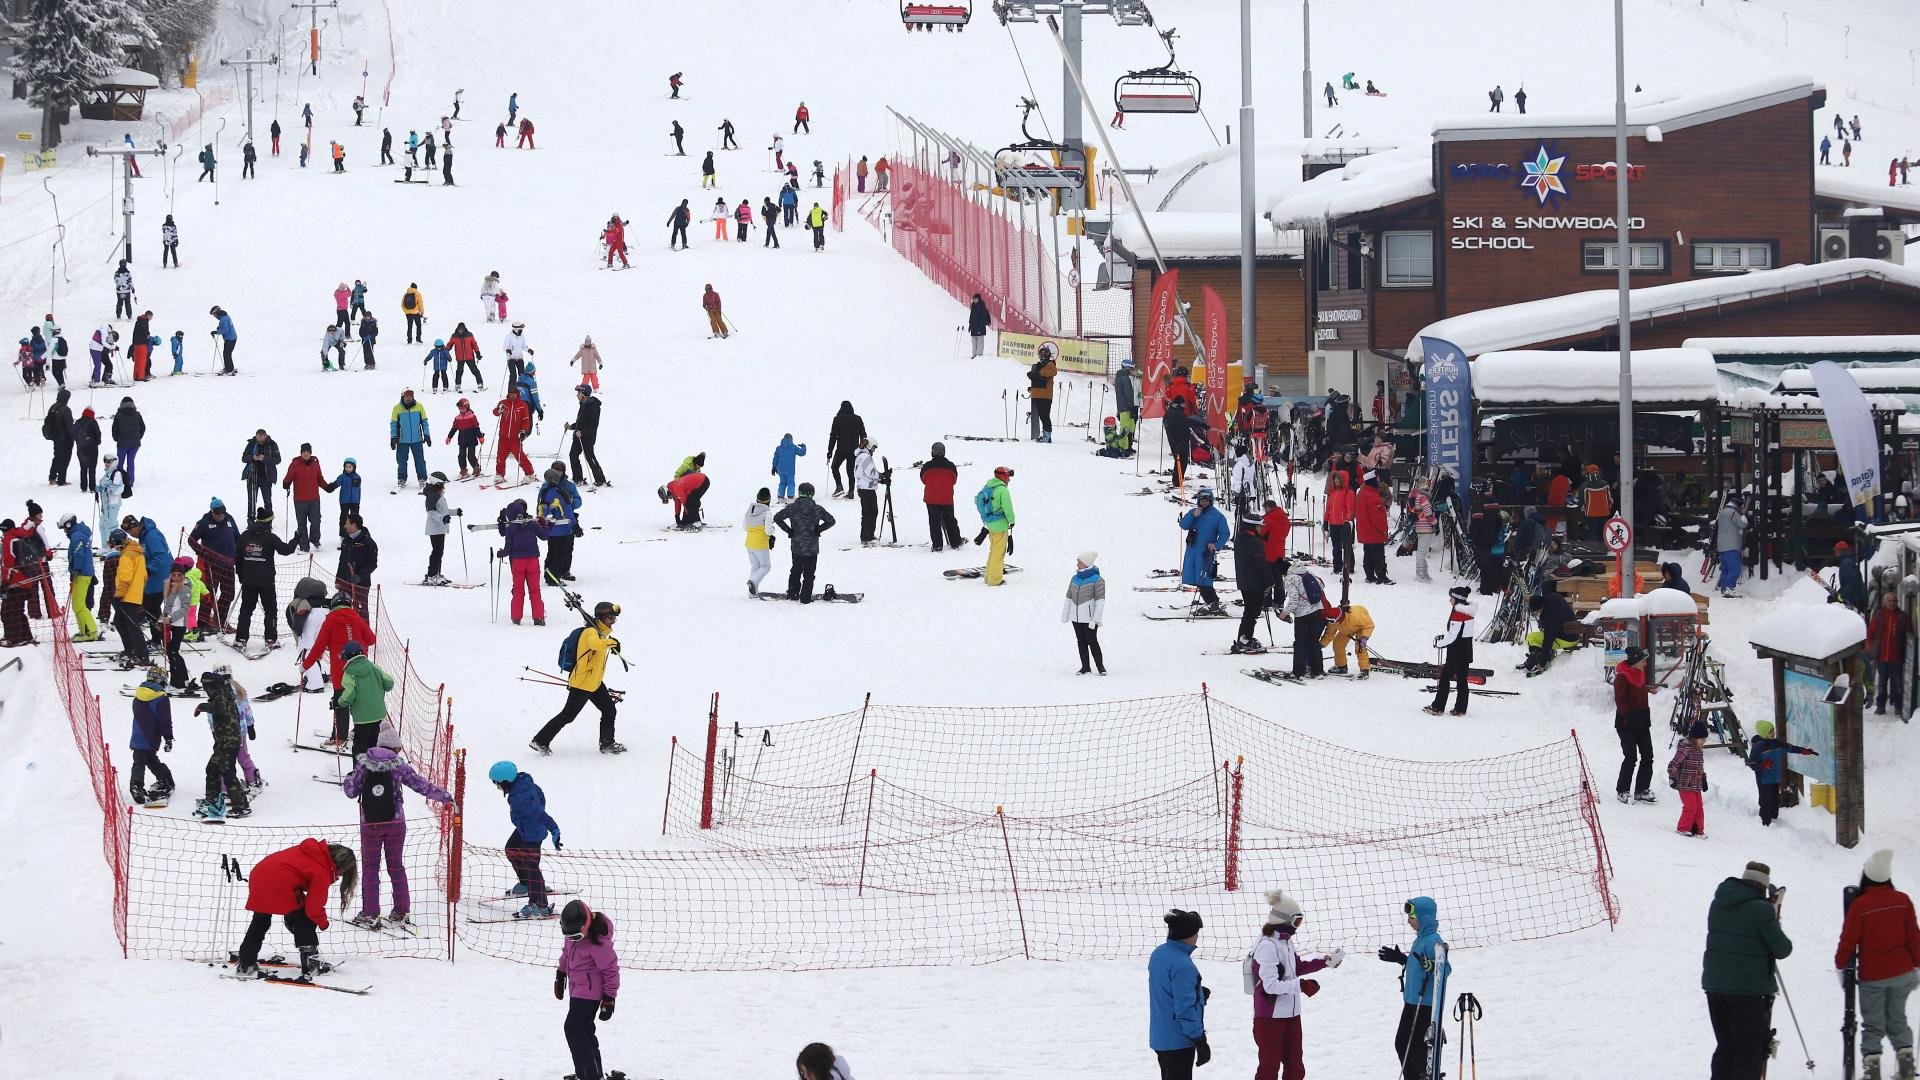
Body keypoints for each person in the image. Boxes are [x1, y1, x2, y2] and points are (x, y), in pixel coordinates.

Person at [341, 743, 453, 928]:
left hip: (370, 825)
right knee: (396, 866)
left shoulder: (363, 764)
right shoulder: (399, 765)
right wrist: (445, 797)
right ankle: (401, 911)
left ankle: (370, 913)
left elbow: (351, 791)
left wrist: (348, 778)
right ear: (396, 748)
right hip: (395, 823)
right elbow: (420, 784)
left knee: (371, 869)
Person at [1703, 861, 1793, 1078]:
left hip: (1714, 986)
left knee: (1726, 1046)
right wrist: (1774, 918)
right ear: (1763, 886)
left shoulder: (1718, 902)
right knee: (1748, 1051)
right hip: (1747, 991)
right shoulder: (1761, 910)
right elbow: (1782, 949)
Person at [1836, 850, 1920, 1080]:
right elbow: (1914, 936)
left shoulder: (1860, 905)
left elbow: (1849, 939)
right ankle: (1906, 1067)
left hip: (1874, 976)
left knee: (1873, 1024)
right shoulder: (1903, 900)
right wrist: (1918, 964)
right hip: (1903, 973)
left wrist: (1841, 964)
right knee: (1897, 1018)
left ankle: (1872, 1070)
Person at [232, 838, 357, 978]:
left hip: (259, 874)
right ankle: (311, 964)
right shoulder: (322, 870)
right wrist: (323, 923)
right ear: (340, 865)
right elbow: (314, 908)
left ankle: (246, 963)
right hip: (279, 881)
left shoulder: (311, 852)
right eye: (342, 872)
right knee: (304, 918)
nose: (340, 876)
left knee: (260, 922)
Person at [1250, 891, 1342, 1080]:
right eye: (1297, 921)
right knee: (1269, 1069)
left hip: (1291, 1015)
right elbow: (1270, 986)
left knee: (1295, 1069)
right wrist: (1301, 986)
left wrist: (1323, 962)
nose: (1298, 926)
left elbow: (1296, 967)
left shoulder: (1285, 941)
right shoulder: (1267, 946)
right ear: (1283, 919)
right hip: (1270, 1018)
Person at [530, 601, 624, 754]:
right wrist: (611, 643)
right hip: (583, 683)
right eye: (610, 618)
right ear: (600, 618)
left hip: (594, 683)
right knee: (568, 715)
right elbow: (594, 644)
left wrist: (609, 642)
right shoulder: (590, 633)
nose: (613, 621)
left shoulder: (600, 633)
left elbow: (600, 643)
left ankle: (607, 744)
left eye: (614, 618)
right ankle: (540, 741)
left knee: (609, 710)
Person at [1380, 896, 1451, 1080]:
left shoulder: (1434, 940)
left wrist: (1432, 965)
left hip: (1426, 1004)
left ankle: (1424, 1075)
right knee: (1402, 1043)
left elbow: (1446, 968)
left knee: (1417, 1048)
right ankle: (1415, 1076)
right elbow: (1418, 964)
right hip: (1411, 1001)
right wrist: (1403, 959)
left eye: (1412, 918)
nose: (1409, 921)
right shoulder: (1420, 939)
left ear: (1423, 917)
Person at [555, 899, 621, 1080]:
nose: (572, 940)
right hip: (577, 990)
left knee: (574, 1029)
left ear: (586, 926)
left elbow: (610, 970)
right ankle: (594, 1074)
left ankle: (588, 1075)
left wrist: (609, 998)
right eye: (569, 936)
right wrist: (560, 974)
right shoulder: (574, 935)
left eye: (576, 936)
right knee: (584, 1031)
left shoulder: (598, 942)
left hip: (590, 994)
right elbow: (566, 954)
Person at [1148, 908, 1210, 1080]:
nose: (1198, 937)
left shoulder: (1159, 954)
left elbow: (1167, 990)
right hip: (1178, 1040)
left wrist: (1199, 994)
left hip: (1161, 1035)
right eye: (1196, 932)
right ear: (1189, 935)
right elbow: (1185, 1009)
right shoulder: (1183, 965)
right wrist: (1199, 1039)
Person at [232, 508, 297, 651]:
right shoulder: (270, 537)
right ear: (269, 522)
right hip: (266, 581)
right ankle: (270, 639)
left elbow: (237, 558)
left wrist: (242, 576)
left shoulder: (244, 536)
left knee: (246, 610)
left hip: (249, 581)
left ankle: (241, 639)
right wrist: (296, 540)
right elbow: (285, 550)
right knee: (270, 610)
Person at [192, 666, 252, 819]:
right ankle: (212, 800)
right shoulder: (223, 693)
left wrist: (202, 706)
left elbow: (220, 708)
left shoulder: (221, 696)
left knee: (228, 773)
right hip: (223, 741)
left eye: (206, 688)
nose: (205, 691)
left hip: (229, 742)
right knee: (212, 769)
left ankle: (242, 806)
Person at [1745, 718, 1816, 828]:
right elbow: (1752, 764)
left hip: (1775, 778)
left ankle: (1775, 821)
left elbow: (1790, 748)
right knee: (1766, 801)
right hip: (1764, 780)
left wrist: (1804, 751)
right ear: (1764, 733)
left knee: (1775, 801)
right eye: (1771, 731)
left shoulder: (1777, 743)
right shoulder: (1758, 747)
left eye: (1773, 730)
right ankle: (1765, 824)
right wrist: (1763, 765)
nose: (1774, 733)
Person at [773, 483, 836, 603]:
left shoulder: (792, 508)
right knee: (809, 573)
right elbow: (831, 521)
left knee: (795, 570)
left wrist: (788, 530)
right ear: (812, 494)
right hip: (812, 548)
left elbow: (777, 518)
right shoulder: (818, 509)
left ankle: (793, 593)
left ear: (799, 493)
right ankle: (805, 597)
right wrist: (819, 529)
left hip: (796, 546)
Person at [1612, 646, 1659, 804]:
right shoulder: (1622, 677)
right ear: (1636, 661)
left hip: (1642, 720)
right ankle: (1622, 790)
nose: (1645, 663)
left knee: (1648, 755)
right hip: (1627, 723)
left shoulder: (1639, 674)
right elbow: (1620, 700)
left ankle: (1641, 789)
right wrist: (1628, 716)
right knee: (1631, 757)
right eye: (1643, 660)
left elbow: (1637, 688)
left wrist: (1647, 690)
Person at [335, 641, 395, 755]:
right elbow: (389, 683)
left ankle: (359, 772)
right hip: (378, 714)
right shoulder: (374, 667)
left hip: (362, 718)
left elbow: (349, 696)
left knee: (359, 748)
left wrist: (338, 702)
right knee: (373, 745)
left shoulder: (349, 673)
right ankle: (372, 771)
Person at [127, 664, 176, 804]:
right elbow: (165, 720)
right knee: (149, 759)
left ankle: (146, 782)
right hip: (151, 736)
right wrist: (168, 738)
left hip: (138, 735)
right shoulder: (161, 698)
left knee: (142, 761)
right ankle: (143, 783)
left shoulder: (138, 696)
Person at [499, 497, 552, 624]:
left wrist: (500, 553)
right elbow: (545, 536)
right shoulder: (532, 524)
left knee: (518, 590)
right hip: (533, 560)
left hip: (518, 562)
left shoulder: (511, 528)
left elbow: (508, 549)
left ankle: (516, 617)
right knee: (535, 590)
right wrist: (544, 524)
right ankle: (538, 617)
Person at [1177, 489, 1230, 615]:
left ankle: (1213, 603)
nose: (1204, 503)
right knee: (1196, 578)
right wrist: (1192, 515)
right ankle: (1212, 603)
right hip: (1192, 552)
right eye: (1202, 500)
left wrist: (1216, 545)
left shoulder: (1217, 516)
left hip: (1205, 553)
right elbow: (1183, 525)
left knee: (1203, 578)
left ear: (1210, 501)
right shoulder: (1194, 512)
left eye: (1206, 501)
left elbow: (1225, 534)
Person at [1425, 587, 1476, 716]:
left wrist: (1439, 644)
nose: (1449, 600)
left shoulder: (1458, 615)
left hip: (1456, 653)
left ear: (1457, 599)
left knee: (1444, 679)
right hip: (1466, 651)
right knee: (1462, 681)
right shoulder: (1469, 613)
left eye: (1451, 598)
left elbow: (1453, 638)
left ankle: (1437, 707)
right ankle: (1460, 709)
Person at [1061, 551, 1108, 675]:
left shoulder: (1098, 580)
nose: (1077, 564)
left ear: (1086, 564)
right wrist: (1065, 615)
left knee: (1092, 642)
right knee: (1080, 642)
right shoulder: (1074, 578)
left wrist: (1096, 619)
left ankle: (1100, 667)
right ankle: (1085, 667)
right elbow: (1068, 598)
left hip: (1089, 619)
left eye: (1079, 562)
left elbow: (1100, 601)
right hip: (1076, 618)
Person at [1279, 562, 1328, 679]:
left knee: (1300, 643)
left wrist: (1284, 613)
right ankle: (1318, 671)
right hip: (1317, 609)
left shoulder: (1290, 578)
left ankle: (1298, 672)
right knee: (1314, 641)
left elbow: (1294, 600)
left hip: (1302, 615)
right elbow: (1321, 585)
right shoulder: (1306, 571)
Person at [1869, 591, 1911, 715]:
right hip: (1882, 656)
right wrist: (1870, 649)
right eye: (1890, 601)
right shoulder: (1879, 615)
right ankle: (1880, 706)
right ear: (1885, 602)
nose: (1892, 603)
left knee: (1897, 683)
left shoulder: (1902, 616)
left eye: (1895, 601)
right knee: (1882, 683)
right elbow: (1871, 633)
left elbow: (1909, 635)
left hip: (1897, 657)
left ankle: (1898, 706)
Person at [1668, 719, 1711, 837]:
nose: (1703, 742)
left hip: (1696, 785)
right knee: (1690, 807)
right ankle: (1683, 828)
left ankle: (1698, 830)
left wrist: (1703, 779)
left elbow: (1700, 767)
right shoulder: (1685, 749)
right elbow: (1674, 764)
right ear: (1694, 738)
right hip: (1685, 785)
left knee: (1699, 808)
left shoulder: (1698, 752)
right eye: (1702, 739)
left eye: (1704, 740)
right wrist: (1672, 777)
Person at [975, 466, 1016, 586]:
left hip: (990, 524)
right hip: (1000, 526)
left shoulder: (989, 485)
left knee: (994, 551)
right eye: (1008, 477)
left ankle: (988, 577)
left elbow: (978, 500)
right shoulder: (1003, 490)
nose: (1009, 480)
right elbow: (1008, 508)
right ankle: (995, 580)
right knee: (998, 554)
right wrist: (1012, 521)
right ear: (1003, 477)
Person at [920, 443, 963, 550]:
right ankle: (956, 542)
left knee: (934, 522)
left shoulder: (927, 466)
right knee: (950, 520)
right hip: (946, 498)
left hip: (931, 499)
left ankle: (937, 545)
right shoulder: (951, 466)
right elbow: (954, 480)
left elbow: (923, 479)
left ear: (932, 451)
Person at [336, 514, 379, 613]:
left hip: (361, 585)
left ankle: (363, 628)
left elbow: (373, 564)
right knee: (343, 610)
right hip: (345, 582)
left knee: (361, 611)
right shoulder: (346, 540)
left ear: (354, 525)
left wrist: (360, 576)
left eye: (347, 523)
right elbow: (342, 561)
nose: (345, 526)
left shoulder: (368, 542)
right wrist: (338, 580)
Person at [494, 385, 536, 483]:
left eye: (514, 393)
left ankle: (530, 474)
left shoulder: (522, 405)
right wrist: (498, 410)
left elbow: (526, 420)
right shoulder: (503, 403)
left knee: (520, 456)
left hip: (515, 437)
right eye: (510, 393)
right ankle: (499, 474)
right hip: (503, 436)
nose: (512, 395)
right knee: (500, 456)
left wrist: (523, 431)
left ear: (517, 394)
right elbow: (495, 412)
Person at [390, 389, 431, 487]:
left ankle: (422, 479)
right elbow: (393, 424)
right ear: (403, 396)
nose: (409, 398)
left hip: (417, 439)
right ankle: (401, 479)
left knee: (420, 460)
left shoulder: (419, 407)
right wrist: (393, 437)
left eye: (410, 396)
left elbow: (424, 422)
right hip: (402, 440)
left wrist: (427, 435)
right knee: (401, 461)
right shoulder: (397, 408)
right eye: (406, 396)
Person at [1356, 475, 1392, 584]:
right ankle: (1382, 577)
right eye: (1377, 480)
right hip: (1375, 532)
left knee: (1368, 555)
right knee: (1378, 556)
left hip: (1364, 531)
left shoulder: (1361, 494)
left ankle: (1370, 576)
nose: (1379, 482)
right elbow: (1378, 518)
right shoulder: (1374, 497)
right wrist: (1384, 530)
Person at [1321, 602, 1374, 677]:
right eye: (1329, 621)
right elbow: (1329, 634)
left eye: (1332, 621)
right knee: (1337, 644)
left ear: (1339, 617)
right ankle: (1341, 666)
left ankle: (1364, 670)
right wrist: (1321, 644)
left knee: (1360, 648)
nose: (1330, 623)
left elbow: (1369, 625)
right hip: (1346, 629)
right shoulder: (1333, 621)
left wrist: (1364, 637)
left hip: (1361, 627)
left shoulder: (1356, 617)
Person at [827, 401, 865, 498]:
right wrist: (862, 449)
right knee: (850, 471)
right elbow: (863, 435)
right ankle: (851, 492)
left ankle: (839, 487)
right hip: (854, 449)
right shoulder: (858, 419)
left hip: (841, 449)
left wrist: (830, 451)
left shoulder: (837, 419)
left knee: (834, 467)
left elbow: (833, 436)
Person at [743, 489, 777, 596]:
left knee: (755, 567)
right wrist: (773, 529)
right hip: (760, 544)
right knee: (766, 566)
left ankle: (752, 592)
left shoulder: (749, 510)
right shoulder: (767, 513)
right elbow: (769, 531)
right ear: (769, 500)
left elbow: (744, 527)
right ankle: (753, 582)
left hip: (749, 543)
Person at [110, 395, 143, 495]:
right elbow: (143, 427)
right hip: (135, 444)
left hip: (122, 443)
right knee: (131, 462)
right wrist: (138, 437)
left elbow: (114, 429)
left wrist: (117, 439)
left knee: (119, 463)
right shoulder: (137, 414)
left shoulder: (118, 415)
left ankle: (119, 481)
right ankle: (130, 481)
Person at [661, 460, 710, 528]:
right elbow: (677, 503)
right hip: (701, 481)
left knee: (690, 502)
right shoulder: (673, 488)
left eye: (667, 497)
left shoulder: (676, 489)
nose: (669, 499)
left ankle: (696, 522)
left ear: (667, 493)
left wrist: (685, 519)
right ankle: (693, 521)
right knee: (691, 501)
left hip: (703, 481)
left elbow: (685, 503)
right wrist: (677, 517)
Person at [1715, 495, 1748, 597]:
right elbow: (1743, 524)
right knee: (1734, 568)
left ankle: (1724, 589)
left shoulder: (1723, 512)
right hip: (1731, 545)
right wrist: (1743, 514)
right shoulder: (1733, 512)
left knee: (1725, 569)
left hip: (1722, 546)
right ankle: (1729, 588)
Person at [448, 397, 485, 479]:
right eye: (459, 408)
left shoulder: (472, 416)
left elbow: (476, 428)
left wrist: (480, 437)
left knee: (471, 456)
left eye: (463, 408)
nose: (461, 409)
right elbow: (454, 428)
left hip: (471, 439)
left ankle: (476, 469)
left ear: (467, 407)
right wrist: (449, 437)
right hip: (462, 440)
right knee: (461, 456)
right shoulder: (458, 417)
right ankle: (463, 471)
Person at [853, 439, 882, 543]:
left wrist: (880, 478)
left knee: (867, 513)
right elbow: (871, 473)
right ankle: (867, 536)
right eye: (873, 448)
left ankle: (866, 535)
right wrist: (881, 477)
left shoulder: (861, 456)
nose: (874, 450)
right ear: (869, 446)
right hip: (867, 489)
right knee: (871, 512)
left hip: (864, 488)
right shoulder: (865, 457)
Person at [1026, 346, 1057, 442]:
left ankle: (1047, 437)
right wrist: (1032, 387)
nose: (1042, 357)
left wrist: (1040, 374)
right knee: (1042, 416)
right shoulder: (1038, 365)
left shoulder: (1050, 364)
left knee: (1045, 416)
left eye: (1044, 355)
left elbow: (1054, 371)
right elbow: (1037, 379)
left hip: (1045, 395)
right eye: (1041, 355)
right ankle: (1045, 435)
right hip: (1038, 394)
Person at [770, 433, 808, 502]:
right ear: (791, 439)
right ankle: (790, 497)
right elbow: (802, 453)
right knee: (791, 483)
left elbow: (775, 458)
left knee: (782, 483)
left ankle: (780, 497)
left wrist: (774, 467)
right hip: (790, 470)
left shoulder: (779, 448)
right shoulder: (793, 447)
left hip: (781, 470)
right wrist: (804, 447)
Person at [450, 322, 485, 389]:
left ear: (464, 329)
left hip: (470, 357)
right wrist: (445, 350)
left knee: (475, 370)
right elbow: (450, 344)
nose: (460, 331)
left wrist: (477, 353)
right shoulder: (454, 336)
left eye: (461, 329)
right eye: (459, 330)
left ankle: (480, 383)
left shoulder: (469, 335)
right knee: (459, 371)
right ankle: (458, 384)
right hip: (460, 358)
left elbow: (474, 344)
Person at [210, 305, 238, 375]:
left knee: (227, 354)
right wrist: (220, 328)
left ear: (216, 313)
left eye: (213, 315)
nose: (214, 316)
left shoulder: (223, 319)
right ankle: (228, 368)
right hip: (231, 338)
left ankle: (229, 369)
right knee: (227, 354)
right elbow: (226, 327)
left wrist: (216, 332)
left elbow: (225, 330)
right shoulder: (225, 317)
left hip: (230, 339)